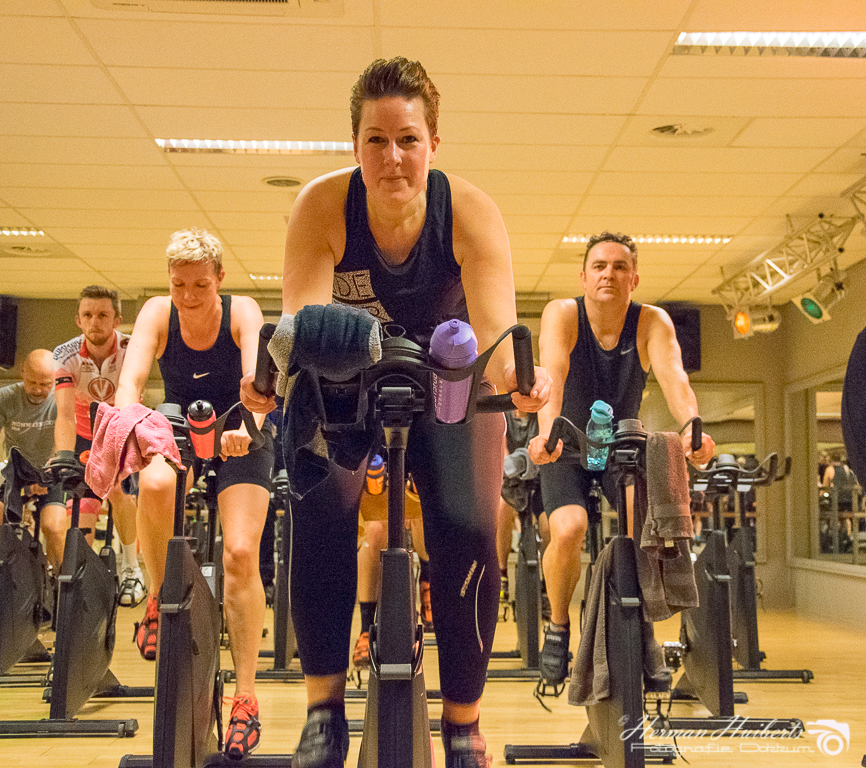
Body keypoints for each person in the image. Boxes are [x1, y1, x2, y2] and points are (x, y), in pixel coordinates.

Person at [241, 57, 550, 768]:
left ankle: (464, 723)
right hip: (343, 378)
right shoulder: (322, 206)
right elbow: (302, 330)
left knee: (469, 528)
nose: (393, 158)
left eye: (408, 139)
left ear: (433, 143)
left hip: (451, 375)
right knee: (319, 511)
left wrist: (521, 383)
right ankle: (323, 710)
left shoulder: (468, 211)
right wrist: (272, 377)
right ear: (354, 145)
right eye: (375, 141)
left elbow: (496, 335)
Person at [528, 231, 715, 688]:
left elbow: (675, 380)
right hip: (567, 442)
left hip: (623, 449)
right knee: (568, 528)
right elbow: (553, 374)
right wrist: (548, 432)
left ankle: (641, 624)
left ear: (634, 279)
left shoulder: (651, 321)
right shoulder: (562, 313)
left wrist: (693, 429)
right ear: (583, 276)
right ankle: (558, 627)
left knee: (640, 532)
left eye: (619, 267)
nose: (608, 274)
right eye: (599, 266)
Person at [114, 228, 274, 760]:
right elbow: (130, 384)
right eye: (179, 285)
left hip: (240, 427)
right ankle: (160, 596)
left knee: (240, 553)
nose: (188, 296)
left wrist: (246, 424)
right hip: (177, 427)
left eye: (200, 285)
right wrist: (130, 423)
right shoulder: (157, 313)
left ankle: (245, 697)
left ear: (219, 278)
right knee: (156, 482)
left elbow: (258, 382)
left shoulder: (241, 311)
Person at [53, 286, 144, 605]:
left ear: (117, 319)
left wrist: (115, 448)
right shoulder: (64, 355)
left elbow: (131, 400)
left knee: (119, 492)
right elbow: (64, 415)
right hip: (83, 432)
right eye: (88, 315)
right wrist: (64, 456)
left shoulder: (133, 348)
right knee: (82, 506)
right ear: (78, 320)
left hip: (121, 427)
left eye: (103, 315)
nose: (95, 322)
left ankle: (132, 568)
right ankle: (84, 575)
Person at [0, 349, 65, 569]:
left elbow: (65, 439)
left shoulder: (62, 399)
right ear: (22, 372)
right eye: (32, 382)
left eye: (45, 384)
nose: (37, 390)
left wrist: (48, 472)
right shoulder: (6, 397)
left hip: (51, 468)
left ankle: (58, 582)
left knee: (53, 528)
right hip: (16, 470)